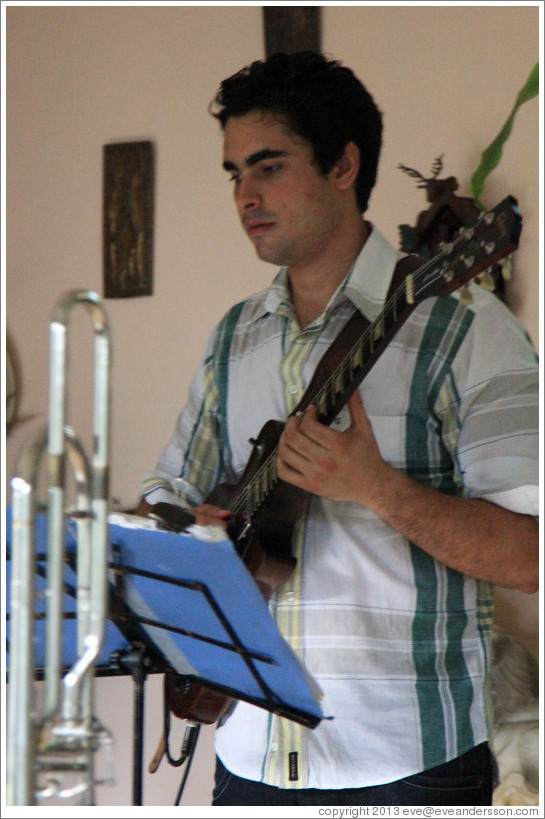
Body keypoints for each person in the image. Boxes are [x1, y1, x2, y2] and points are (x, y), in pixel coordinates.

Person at [136, 52, 539, 806]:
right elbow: (166, 491)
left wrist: (376, 488)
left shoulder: (467, 329)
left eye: (267, 166)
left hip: (407, 767)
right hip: (245, 758)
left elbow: (529, 557)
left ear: (344, 165)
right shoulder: (233, 338)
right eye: (233, 174)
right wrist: (191, 526)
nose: (245, 195)